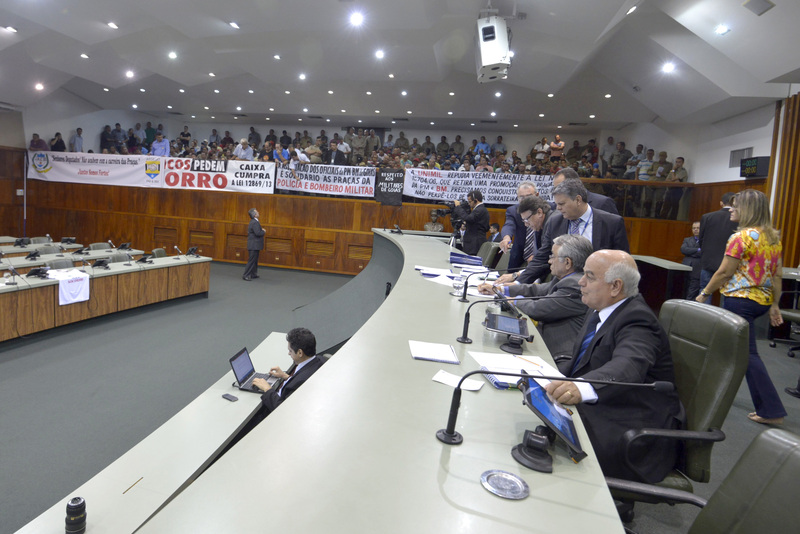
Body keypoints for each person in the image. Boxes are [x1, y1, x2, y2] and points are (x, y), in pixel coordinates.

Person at [545, 250, 684, 482]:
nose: (580, 281)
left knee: (550, 448)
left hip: (635, 429)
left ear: (615, 286)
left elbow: (628, 367)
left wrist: (580, 387)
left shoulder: (638, 320)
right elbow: (582, 363)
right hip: (609, 406)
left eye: (589, 276)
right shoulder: (599, 308)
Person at [696, 189, 786, 425]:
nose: (731, 210)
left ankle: (771, 411)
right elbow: (777, 275)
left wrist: (704, 294)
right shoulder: (773, 238)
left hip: (740, 301)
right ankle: (710, 389)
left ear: (748, 210)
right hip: (761, 301)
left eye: (735, 206)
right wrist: (775, 304)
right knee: (729, 348)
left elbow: (724, 272)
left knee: (748, 355)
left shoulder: (741, 237)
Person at [501, 176, 629, 284]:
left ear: (578, 200)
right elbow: (542, 258)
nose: (558, 208)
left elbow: (621, 263)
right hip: (562, 288)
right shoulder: (555, 222)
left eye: (561, 204)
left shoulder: (611, 223)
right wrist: (517, 283)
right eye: (556, 204)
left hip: (597, 288)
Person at [480, 234, 591, 356]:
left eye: (553, 256)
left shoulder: (575, 285)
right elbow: (536, 290)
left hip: (556, 354)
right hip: (543, 342)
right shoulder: (565, 278)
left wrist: (513, 300)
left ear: (567, 262)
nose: (549, 261)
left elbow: (539, 309)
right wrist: (501, 289)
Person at [251, 328, 326, 415]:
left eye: (290, 351)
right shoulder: (320, 360)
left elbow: (283, 410)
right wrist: (285, 376)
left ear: (300, 353)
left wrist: (267, 388)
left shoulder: (301, 381)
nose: (289, 353)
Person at [698, 192, 738, 298]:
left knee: (704, 290)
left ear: (721, 203)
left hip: (708, 261)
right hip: (730, 263)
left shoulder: (707, 217)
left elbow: (701, 239)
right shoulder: (739, 220)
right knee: (727, 292)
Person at [499, 182, 539, 269]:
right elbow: (509, 225)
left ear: (537, 195)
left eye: (529, 196)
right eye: (521, 197)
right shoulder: (513, 210)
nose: (525, 200)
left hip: (541, 258)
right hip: (518, 256)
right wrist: (506, 238)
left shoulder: (548, 208)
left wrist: (537, 255)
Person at [454, 190, 489, 256]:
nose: (469, 204)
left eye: (470, 202)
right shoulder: (480, 209)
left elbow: (468, 218)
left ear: (476, 200)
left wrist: (458, 207)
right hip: (475, 242)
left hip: (474, 244)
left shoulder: (480, 209)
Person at [681, 221, 702, 299]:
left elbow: (703, 253)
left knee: (692, 290)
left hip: (697, 269)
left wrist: (690, 252)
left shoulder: (705, 240)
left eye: (698, 228)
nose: (695, 230)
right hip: (686, 267)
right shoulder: (687, 240)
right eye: (694, 228)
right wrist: (697, 250)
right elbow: (683, 250)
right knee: (683, 288)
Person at [243, 208, 265, 281]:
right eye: (257, 212)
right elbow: (258, 233)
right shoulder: (254, 222)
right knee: (251, 260)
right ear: (254, 215)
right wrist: (263, 231)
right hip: (254, 245)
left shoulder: (254, 221)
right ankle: (246, 275)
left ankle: (253, 274)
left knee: (254, 260)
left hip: (255, 245)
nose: (258, 212)